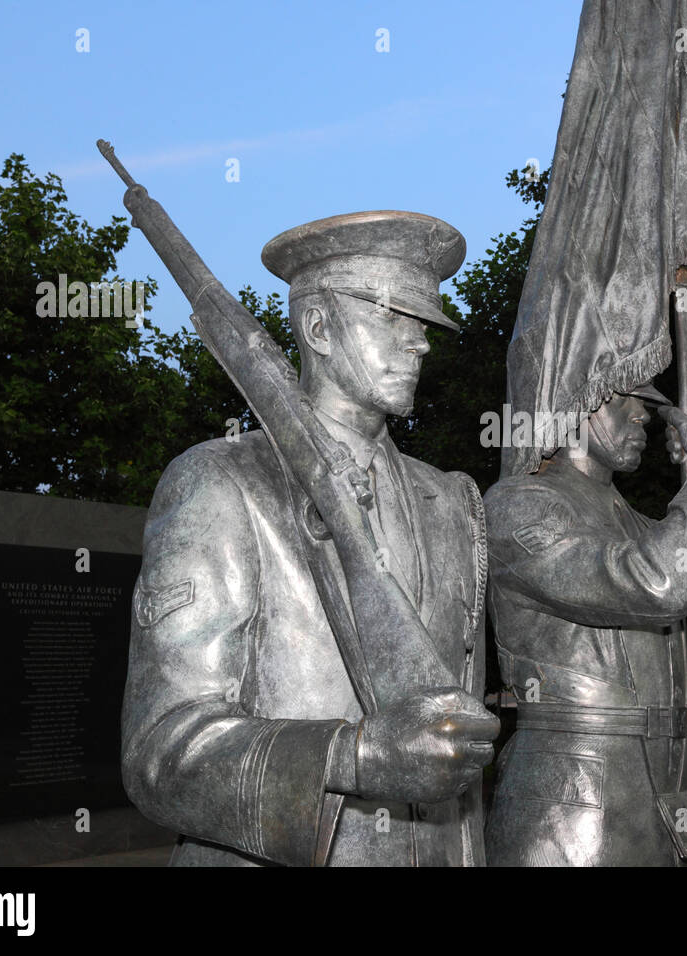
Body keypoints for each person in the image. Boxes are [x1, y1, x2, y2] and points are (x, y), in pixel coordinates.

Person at [121, 211, 499, 866]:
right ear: (318, 327)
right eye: (392, 318)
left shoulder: (453, 504)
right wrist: (353, 756)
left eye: (426, 326)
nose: (420, 345)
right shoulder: (218, 484)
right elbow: (163, 752)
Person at [483, 383, 687, 866]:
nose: (643, 414)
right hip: (575, 806)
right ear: (572, 401)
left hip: (659, 796)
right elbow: (659, 583)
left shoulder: (638, 523)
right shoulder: (520, 504)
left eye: (646, 402)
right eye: (621, 396)